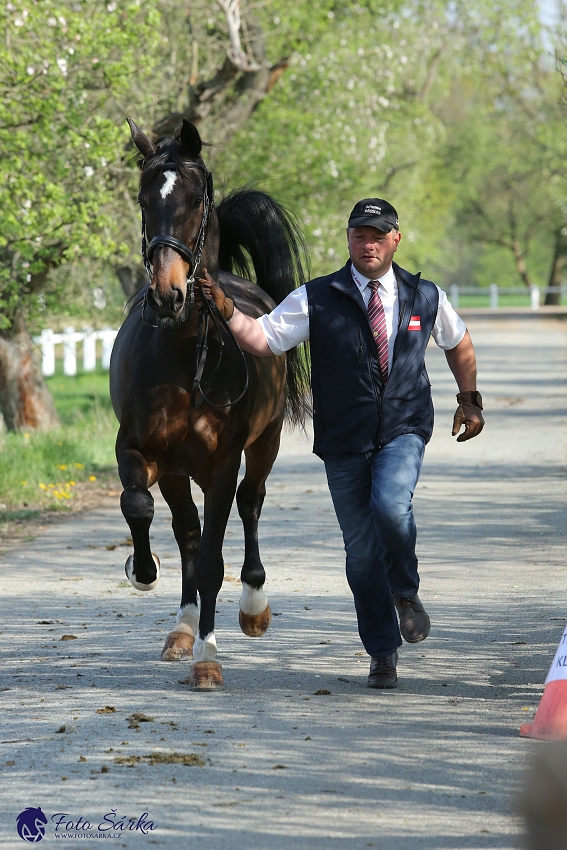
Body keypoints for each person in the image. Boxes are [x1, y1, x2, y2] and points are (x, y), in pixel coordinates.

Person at [196, 198, 484, 689]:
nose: (367, 243)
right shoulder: (319, 296)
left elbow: (457, 342)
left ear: (396, 239)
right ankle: (382, 651)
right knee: (360, 553)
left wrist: (470, 399)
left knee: (391, 508)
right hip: (344, 439)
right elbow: (264, 339)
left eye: (377, 235)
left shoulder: (424, 297)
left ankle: (405, 592)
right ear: (347, 239)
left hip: (404, 426)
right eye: (359, 235)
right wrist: (225, 309)